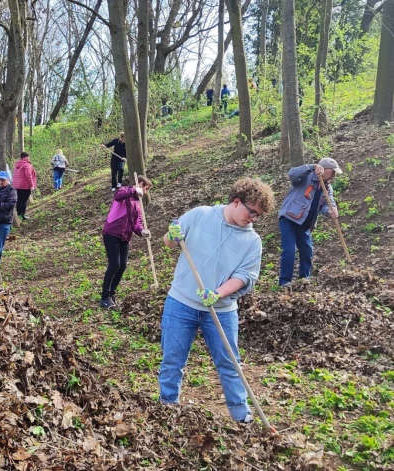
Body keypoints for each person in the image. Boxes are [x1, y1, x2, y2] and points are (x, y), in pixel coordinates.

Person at [158, 178, 276, 423]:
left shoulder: (252, 242)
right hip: (181, 303)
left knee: (230, 363)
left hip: (221, 311)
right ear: (236, 201)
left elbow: (245, 277)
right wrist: (172, 235)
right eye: (251, 211)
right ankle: (167, 408)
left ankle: (241, 416)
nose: (253, 218)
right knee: (173, 359)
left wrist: (218, 293)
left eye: (258, 215)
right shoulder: (200, 215)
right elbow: (170, 243)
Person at [278, 158, 340, 287]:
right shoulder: (306, 176)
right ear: (324, 169)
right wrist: (311, 167)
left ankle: (304, 279)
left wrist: (331, 211)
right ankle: (285, 282)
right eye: (332, 172)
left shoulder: (327, 188)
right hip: (289, 218)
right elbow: (292, 174)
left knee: (307, 250)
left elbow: (327, 204)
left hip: (305, 224)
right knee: (289, 250)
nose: (333, 175)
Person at [99, 176, 152, 309]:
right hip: (112, 232)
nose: (145, 192)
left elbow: (137, 223)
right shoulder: (125, 191)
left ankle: (112, 294)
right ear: (141, 184)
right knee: (114, 264)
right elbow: (117, 196)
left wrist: (142, 231)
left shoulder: (138, 203)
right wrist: (134, 190)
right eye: (146, 188)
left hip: (124, 236)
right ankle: (104, 298)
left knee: (122, 266)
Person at [12, 151, 37, 220]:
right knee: (24, 200)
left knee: (19, 199)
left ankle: (18, 213)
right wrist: (31, 185)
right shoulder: (27, 165)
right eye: (28, 157)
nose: (29, 158)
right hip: (25, 185)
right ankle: (22, 215)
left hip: (17, 185)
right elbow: (28, 175)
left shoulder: (17, 164)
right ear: (25, 157)